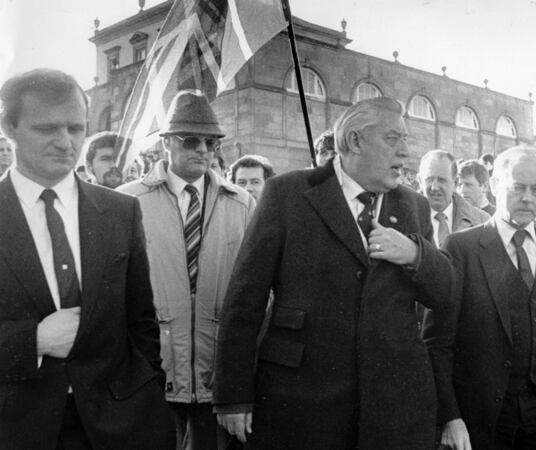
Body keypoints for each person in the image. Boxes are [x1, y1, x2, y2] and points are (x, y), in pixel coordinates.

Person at [212, 97, 453, 449]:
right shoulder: (289, 194)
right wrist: (233, 395)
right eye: (393, 139)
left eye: (405, 139)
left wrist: (415, 254)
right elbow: (244, 298)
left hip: (390, 409)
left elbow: (443, 292)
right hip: (302, 405)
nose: (405, 152)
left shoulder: (412, 205)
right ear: (354, 141)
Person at [0, 68, 173, 449]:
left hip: (119, 426)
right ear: (8, 127)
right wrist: (31, 341)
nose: (66, 142)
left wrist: (146, 397)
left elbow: (140, 319)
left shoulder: (121, 212)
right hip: (16, 428)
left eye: (76, 128)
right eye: (47, 129)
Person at [118, 89, 256, 450]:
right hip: (153, 370)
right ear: (167, 143)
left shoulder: (241, 203)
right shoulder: (128, 201)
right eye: (191, 140)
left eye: (211, 142)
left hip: (218, 373)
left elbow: (256, 289)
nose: (203, 150)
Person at [424, 146, 536, 450]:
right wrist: (450, 416)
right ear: (495, 186)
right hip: (487, 415)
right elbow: (437, 341)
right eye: (517, 188)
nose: (528, 198)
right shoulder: (461, 248)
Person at [418, 149, 489, 248]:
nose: (434, 187)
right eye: (429, 180)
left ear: (455, 183)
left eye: (441, 180)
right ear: (420, 182)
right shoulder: (405, 217)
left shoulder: (482, 221)